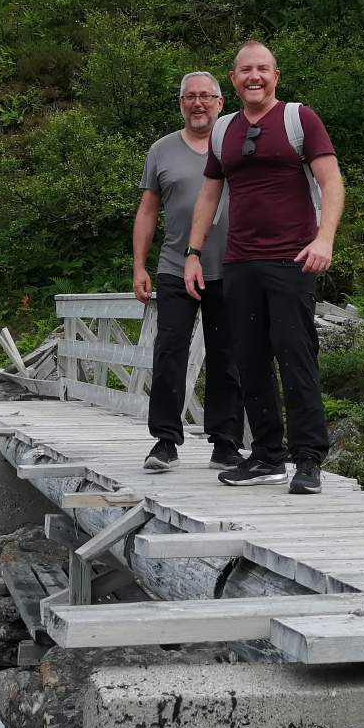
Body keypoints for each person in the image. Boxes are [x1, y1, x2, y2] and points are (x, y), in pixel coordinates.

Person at [183, 41, 343, 494]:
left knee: (296, 356)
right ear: (233, 79)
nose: (254, 77)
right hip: (239, 261)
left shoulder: (299, 119)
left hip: (292, 258)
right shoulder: (224, 130)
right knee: (249, 361)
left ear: (275, 76)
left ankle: (308, 460)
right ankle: (268, 457)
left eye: (262, 69)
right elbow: (209, 194)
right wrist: (193, 254)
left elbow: (331, 180)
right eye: (245, 70)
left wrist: (324, 238)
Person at [132, 72, 246, 472]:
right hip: (176, 266)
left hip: (231, 267)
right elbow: (147, 211)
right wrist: (139, 266)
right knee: (169, 352)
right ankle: (165, 441)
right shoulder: (161, 150)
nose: (198, 103)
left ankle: (226, 443)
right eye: (190, 96)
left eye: (206, 96)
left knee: (227, 355)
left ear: (220, 102)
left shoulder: (237, 143)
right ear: (181, 103)